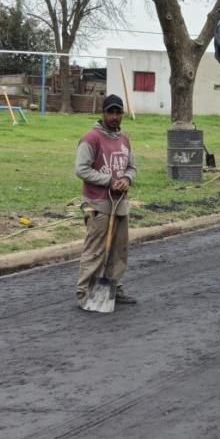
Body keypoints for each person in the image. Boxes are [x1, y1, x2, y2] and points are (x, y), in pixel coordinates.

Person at [74, 94, 138, 307]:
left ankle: (114, 289)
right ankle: (85, 294)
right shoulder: (91, 138)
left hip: (120, 203)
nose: (114, 116)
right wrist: (109, 180)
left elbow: (131, 167)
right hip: (97, 203)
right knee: (96, 250)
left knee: (119, 250)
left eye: (118, 112)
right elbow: (81, 169)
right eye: (110, 112)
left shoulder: (124, 139)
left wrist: (127, 179)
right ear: (103, 113)